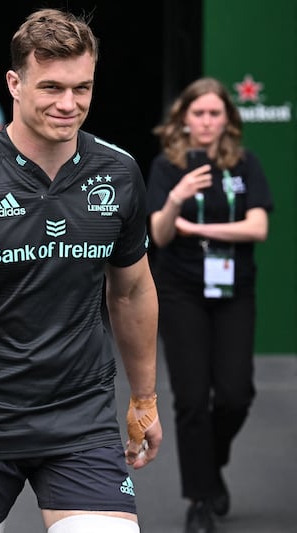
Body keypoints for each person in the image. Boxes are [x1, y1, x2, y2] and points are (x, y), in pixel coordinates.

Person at [0, 8, 162, 533]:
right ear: (14, 84)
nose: (69, 104)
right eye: (51, 87)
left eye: (82, 87)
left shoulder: (118, 172)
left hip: (80, 420)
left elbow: (131, 292)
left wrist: (144, 397)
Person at [146, 77, 273, 533]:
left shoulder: (245, 164)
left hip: (234, 289)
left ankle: (210, 462)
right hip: (180, 291)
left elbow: (257, 227)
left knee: (237, 394)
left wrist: (196, 230)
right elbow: (159, 235)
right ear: (183, 118)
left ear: (227, 119)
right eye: (197, 113)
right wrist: (177, 198)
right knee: (192, 399)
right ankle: (200, 496)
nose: (205, 121)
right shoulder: (166, 167)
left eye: (214, 113)